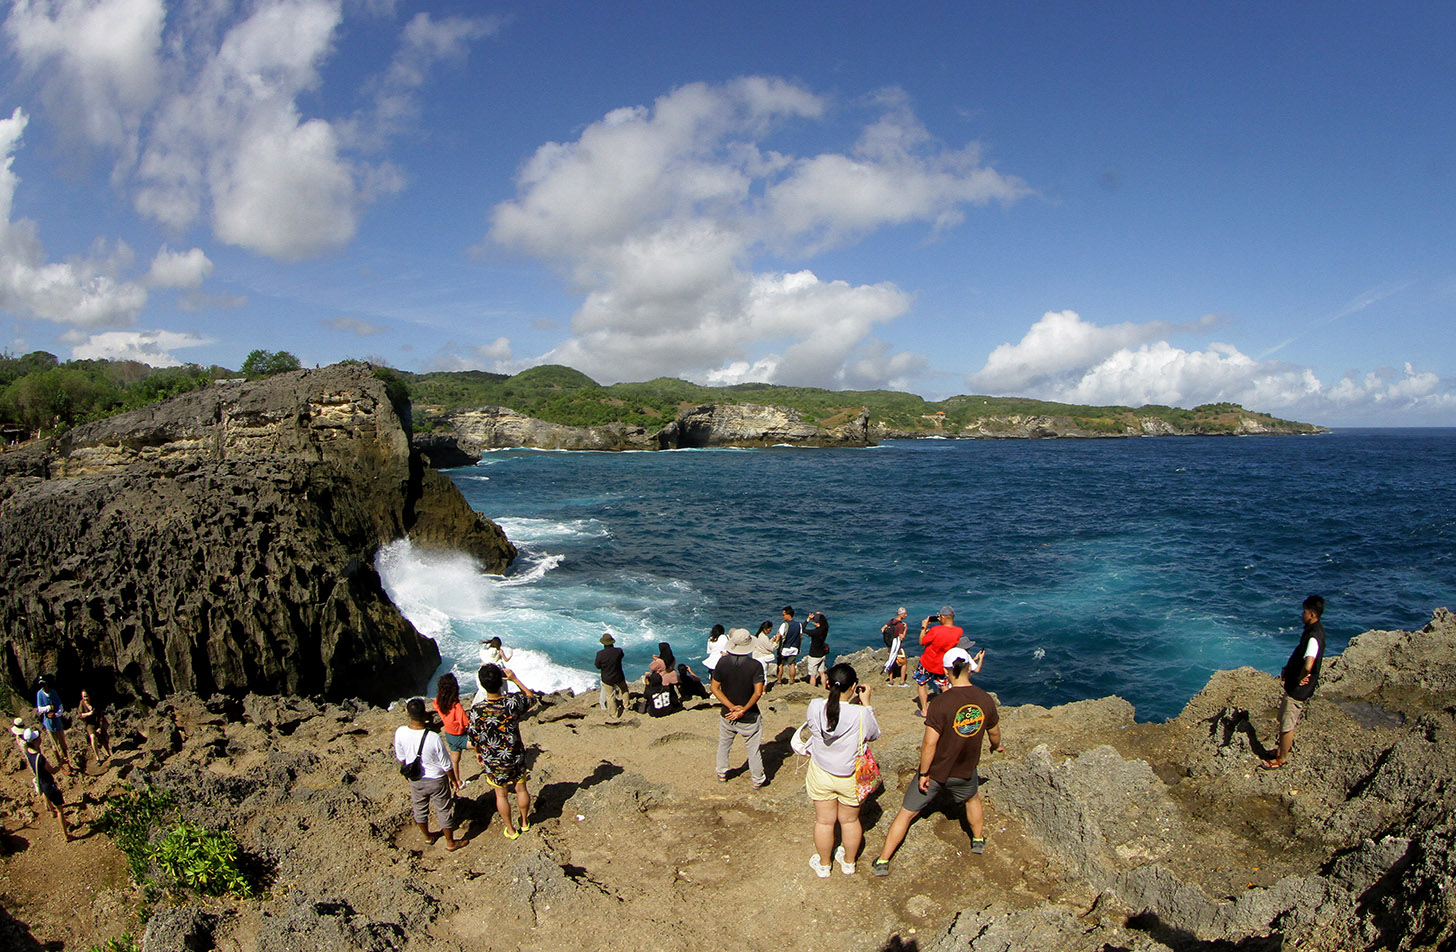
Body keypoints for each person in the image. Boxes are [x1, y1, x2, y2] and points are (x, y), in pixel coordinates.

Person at [873, 648, 1001, 876]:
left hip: (936, 772)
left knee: (906, 814)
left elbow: (929, 744)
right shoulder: (984, 699)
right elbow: (994, 732)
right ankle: (978, 839)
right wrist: (995, 746)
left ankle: (883, 860)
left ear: (945, 671)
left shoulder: (941, 703)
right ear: (970, 667)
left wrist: (924, 773)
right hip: (966, 770)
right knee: (972, 799)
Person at [805, 664, 880, 877]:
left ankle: (824, 864)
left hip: (821, 773)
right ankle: (848, 863)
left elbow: (830, 717)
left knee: (824, 821)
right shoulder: (860, 714)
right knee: (849, 821)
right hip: (850, 776)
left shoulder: (814, 706)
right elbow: (873, 734)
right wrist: (866, 705)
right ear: (854, 686)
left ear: (827, 683)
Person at [468, 664, 535, 839]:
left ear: (482, 685)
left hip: (493, 759)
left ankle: (511, 829)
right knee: (521, 789)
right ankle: (525, 821)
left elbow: (474, 737)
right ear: (500, 682)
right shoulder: (511, 703)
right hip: (514, 754)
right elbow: (531, 698)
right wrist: (515, 679)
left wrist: (478, 752)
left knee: (501, 794)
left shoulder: (477, 710)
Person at [1263, 594, 1327, 770]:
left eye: (1305, 612)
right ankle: (1281, 749)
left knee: (1287, 724)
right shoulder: (1314, 630)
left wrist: (1300, 677)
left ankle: (1281, 759)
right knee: (1284, 719)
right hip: (1295, 684)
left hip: (1298, 689)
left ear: (1312, 614)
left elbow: (1308, 664)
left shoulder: (1314, 636)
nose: (1302, 615)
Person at [393, 697, 461, 850]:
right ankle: (450, 842)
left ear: (408, 714)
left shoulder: (400, 732)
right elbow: (446, 764)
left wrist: (407, 775)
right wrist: (454, 780)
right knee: (443, 810)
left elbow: (401, 758)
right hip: (436, 779)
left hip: (416, 779)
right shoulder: (433, 737)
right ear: (425, 714)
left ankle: (428, 837)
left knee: (419, 809)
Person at [711, 628, 767, 787]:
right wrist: (743, 709)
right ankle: (757, 780)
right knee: (753, 750)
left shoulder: (722, 662)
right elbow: (757, 693)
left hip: (727, 714)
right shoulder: (755, 666)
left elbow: (714, 688)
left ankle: (722, 773)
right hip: (749, 716)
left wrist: (731, 707)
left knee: (724, 745)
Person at [20, 727, 71, 840]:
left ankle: (51, 810)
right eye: (37, 738)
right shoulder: (40, 758)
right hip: (49, 785)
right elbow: (53, 771)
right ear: (34, 741)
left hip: (42, 783)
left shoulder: (28, 752)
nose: (40, 738)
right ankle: (66, 835)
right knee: (60, 810)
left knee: (48, 798)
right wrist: (61, 763)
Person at [915, 606, 962, 718]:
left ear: (943, 617)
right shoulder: (959, 631)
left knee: (922, 684)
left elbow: (922, 641)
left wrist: (923, 628)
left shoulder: (935, 630)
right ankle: (951, 708)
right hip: (943, 665)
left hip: (927, 662)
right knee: (944, 686)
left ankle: (924, 711)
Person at [433, 673, 471, 792]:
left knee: (454, 759)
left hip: (449, 735)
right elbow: (466, 723)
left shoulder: (438, 702)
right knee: (480, 744)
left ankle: (457, 782)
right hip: (460, 736)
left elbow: (435, 707)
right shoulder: (457, 706)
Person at [34, 675, 71, 771]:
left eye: (44, 684)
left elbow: (60, 706)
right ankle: (61, 764)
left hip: (57, 722)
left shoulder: (53, 693)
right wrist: (49, 708)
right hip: (48, 723)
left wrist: (57, 714)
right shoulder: (39, 694)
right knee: (54, 745)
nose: (43, 686)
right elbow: (39, 708)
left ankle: (67, 762)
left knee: (62, 743)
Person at [594, 632, 628, 720]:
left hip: (607, 678)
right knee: (624, 689)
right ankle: (627, 706)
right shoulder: (619, 651)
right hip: (618, 675)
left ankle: (614, 714)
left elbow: (597, 666)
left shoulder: (600, 654)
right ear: (612, 642)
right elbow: (621, 656)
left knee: (610, 696)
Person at [76, 689, 111, 765]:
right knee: (93, 737)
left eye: (86, 696)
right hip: (90, 724)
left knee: (104, 738)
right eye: (84, 697)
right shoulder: (82, 704)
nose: (85, 699)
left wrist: (100, 727)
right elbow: (80, 714)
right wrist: (89, 714)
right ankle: (97, 757)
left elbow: (101, 716)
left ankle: (108, 753)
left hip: (98, 722)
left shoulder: (95, 703)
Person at [775, 606, 804, 685]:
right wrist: (798, 647)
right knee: (792, 665)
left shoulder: (784, 625)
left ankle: (779, 681)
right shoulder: (799, 625)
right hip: (794, 648)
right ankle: (792, 681)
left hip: (785, 648)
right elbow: (800, 637)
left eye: (783, 614)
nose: (782, 616)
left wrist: (774, 644)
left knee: (780, 664)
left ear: (788, 615)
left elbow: (779, 636)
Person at [881, 607, 909, 685]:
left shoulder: (892, 621)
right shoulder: (900, 625)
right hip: (897, 646)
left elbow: (883, 629)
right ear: (902, 614)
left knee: (891, 661)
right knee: (904, 663)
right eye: (905, 614)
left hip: (890, 645)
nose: (906, 615)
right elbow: (902, 637)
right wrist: (905, 628)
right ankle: (902, 682)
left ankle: (891, 680)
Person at [803, 612, 831, 689]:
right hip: (822, 654)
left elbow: (802, 629)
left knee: (813, 675)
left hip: (814, 655)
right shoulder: (825, 628)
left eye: (814, 622)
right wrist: (820, 615)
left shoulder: (815, 632)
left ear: (817, 623)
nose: (813, 623)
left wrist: (808, 619)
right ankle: (824, 687)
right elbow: (824, 620)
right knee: (822, 673)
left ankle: (813, 690)